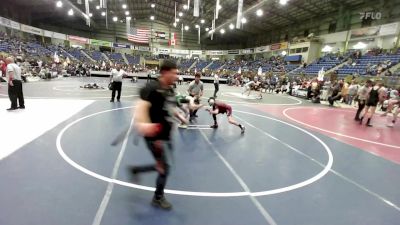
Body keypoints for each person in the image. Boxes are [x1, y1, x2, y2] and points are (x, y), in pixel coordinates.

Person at [130, 60, 187, 210]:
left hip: (165, 134)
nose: (177, 76)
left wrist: (179, 116)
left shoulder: (170, 90)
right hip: (154, 136)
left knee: (161, 165)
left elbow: (169, 107)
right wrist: (143, 124)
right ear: (165, 72)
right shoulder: (151, 88)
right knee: (164, 167)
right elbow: (141, 107)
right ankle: (158, 197)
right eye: (174, 73)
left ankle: (137, 170)